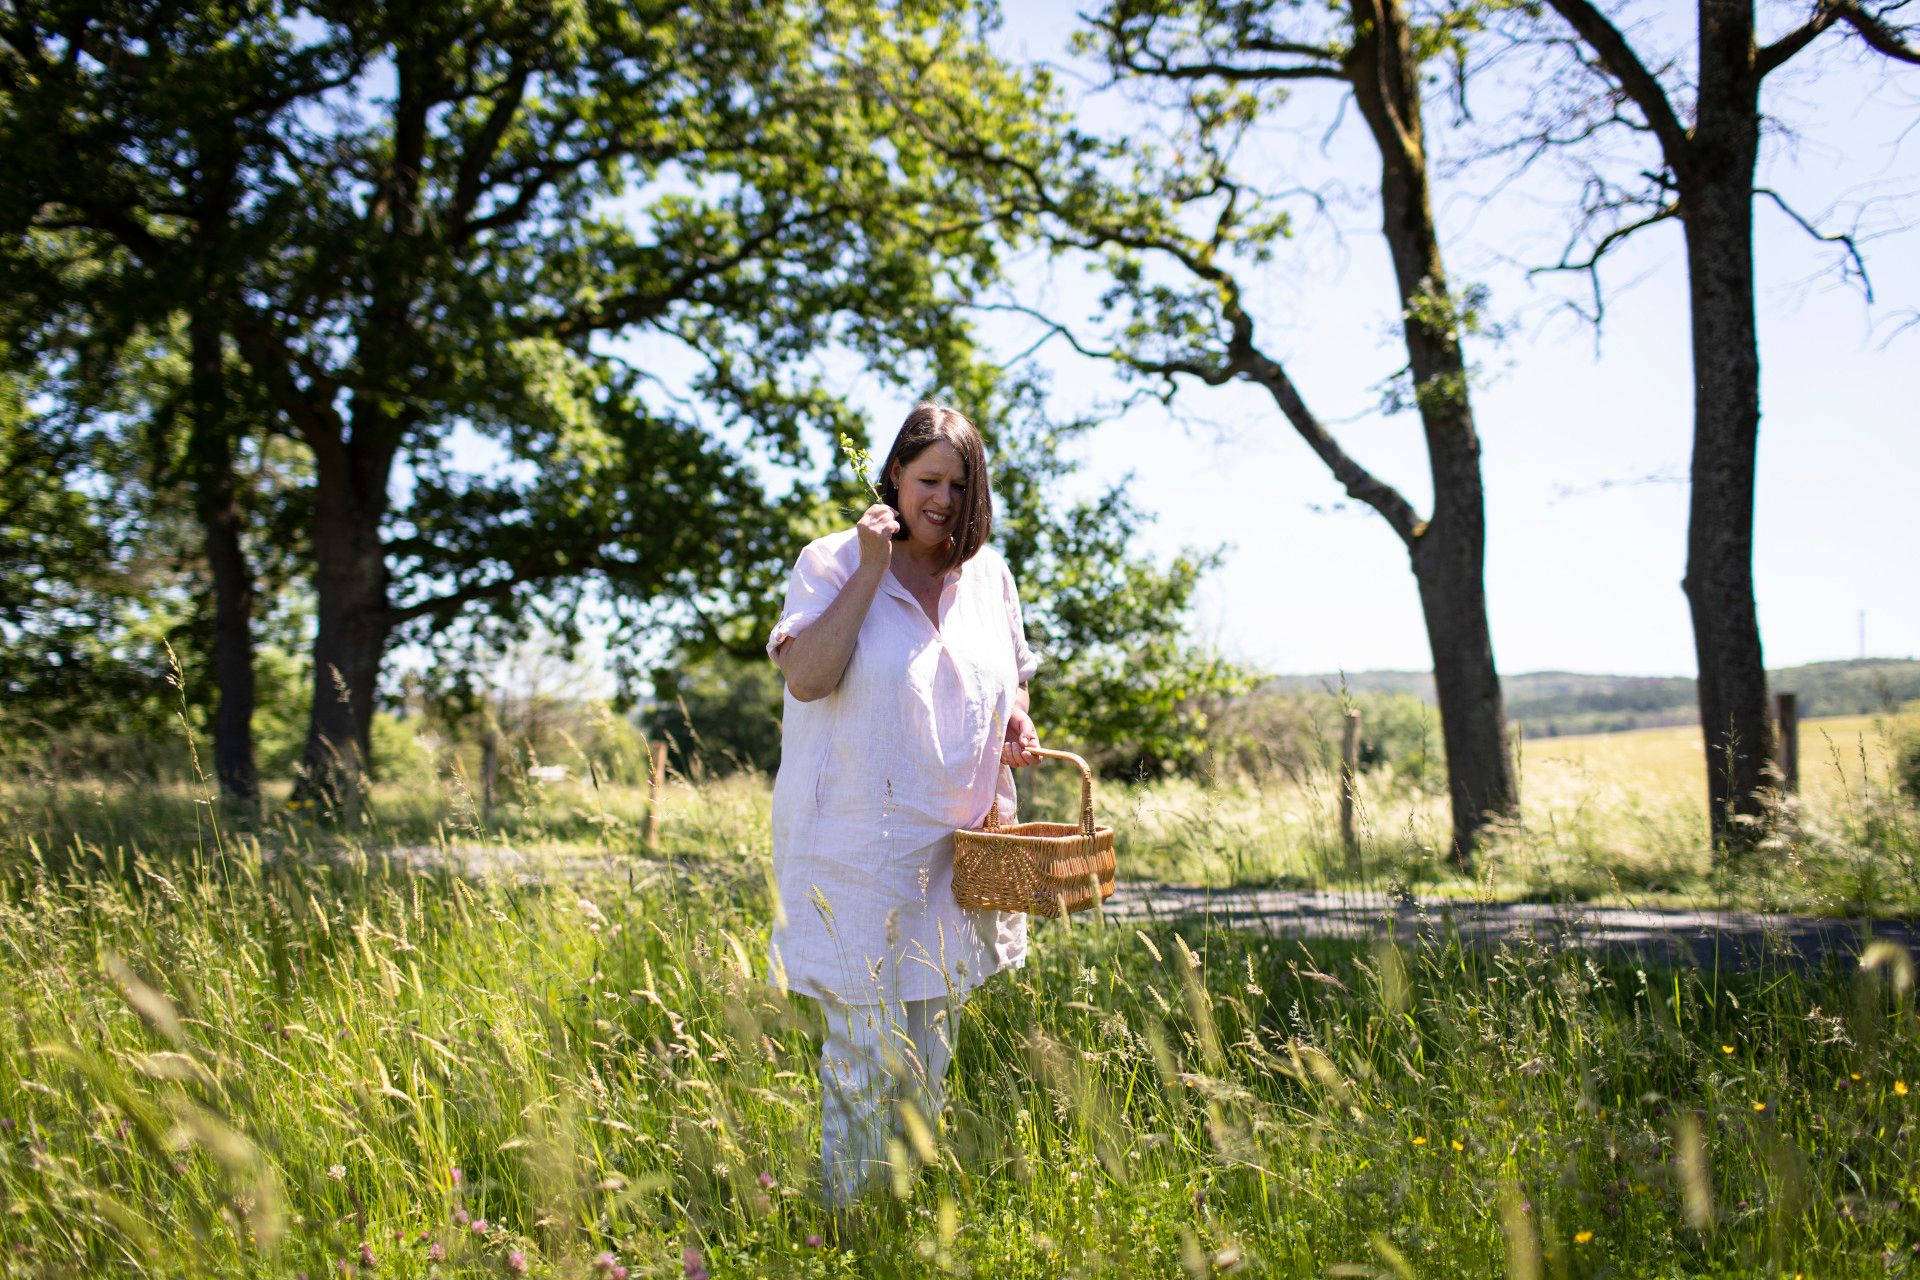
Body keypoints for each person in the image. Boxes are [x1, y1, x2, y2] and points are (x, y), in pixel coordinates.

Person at [765, 402, 1042, 1207]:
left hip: (956, 847)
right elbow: (809, 678)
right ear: (893, 475)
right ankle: (848, 1223)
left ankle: (908, 1216)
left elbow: (1011, 674)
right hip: (854, 846)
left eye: (961, 484)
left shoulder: (988, 574)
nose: (945, 501)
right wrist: (869, 566)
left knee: (931, 1048)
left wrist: (1019, 717)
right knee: (862, 1049)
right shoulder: (829, 561)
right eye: (929, 480)